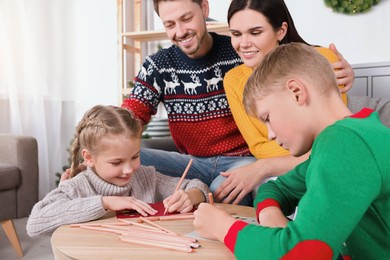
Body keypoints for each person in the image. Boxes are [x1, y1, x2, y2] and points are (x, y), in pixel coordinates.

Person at [121, 0, 354, 205]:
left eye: (186, 18)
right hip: (193, 162)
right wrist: (101, 139)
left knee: (224, 191)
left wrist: (334, 71)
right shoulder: (163, 65)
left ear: (204, 8)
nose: (180, 31)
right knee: (124, 160)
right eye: (170, 24)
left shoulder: (243, 56)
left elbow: (330, 135)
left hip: (243, 161)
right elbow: (133, 111)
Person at [193, 43, 390, 259]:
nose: (270, 135)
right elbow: (275, 189)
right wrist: (271, 217)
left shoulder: (347, 143)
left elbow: (305, 254)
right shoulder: (349, 137)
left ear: (296, 92)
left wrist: (222, 227)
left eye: (268, 117)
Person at [214, 0, 355, 204]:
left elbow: (329, 139)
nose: (243, 43)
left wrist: (267, 165)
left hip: (327, 156)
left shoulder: (321, 60)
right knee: (225, 188)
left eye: (255, 32)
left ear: (281, 31)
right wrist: (301, 151)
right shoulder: (234, 80)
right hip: (304, 160)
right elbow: (259, 148)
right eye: (236, 34)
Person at [26, 105, 209, 238]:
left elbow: (196, 185)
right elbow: (35, 223)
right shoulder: (76, 187)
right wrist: (105, 202)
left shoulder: (145, 177)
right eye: (117, 162)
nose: (129, 169)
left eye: (135, 156)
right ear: (89, 158)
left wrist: (190, 196)